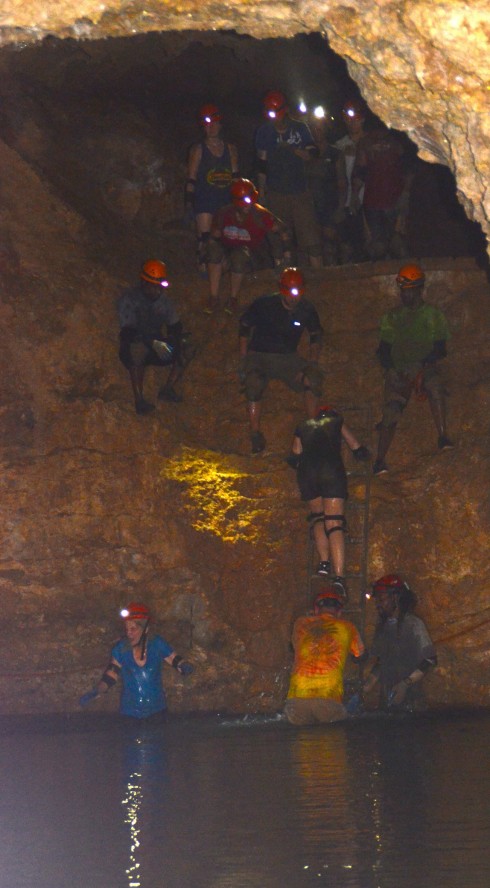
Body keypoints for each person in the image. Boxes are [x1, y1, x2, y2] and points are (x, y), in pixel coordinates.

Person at [373, 262, 453, 475]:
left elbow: (440, 348)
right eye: (402, 291)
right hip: (399, 370)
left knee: (435, 386)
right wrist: (392, 369)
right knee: (391, 410)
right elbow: (383, 349)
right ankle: (379, 460)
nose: (404, 295)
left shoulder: (433, 315)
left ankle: (443, 436)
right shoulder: (392, 317)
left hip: (424, 366)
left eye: (408, 291)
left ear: (419, 289)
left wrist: (423, 368)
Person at [287, 404, 370, 599]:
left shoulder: (303, 425)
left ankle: (324, 563)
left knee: (318, 517)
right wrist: (363, 455)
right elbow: (356, 446)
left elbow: (295, 455)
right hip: (330, 470)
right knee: (334, 522)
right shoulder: (335, 421)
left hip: (307, 473)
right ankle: (339, 577)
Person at [238, 266, 324, 454]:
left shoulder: (306, 309)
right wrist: (244, 359)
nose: (294, 298)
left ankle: (313, 427)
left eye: (298, 293)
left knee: (313, 378)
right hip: (259, 355)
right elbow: (244, 328)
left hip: (287, 358)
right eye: (290, 293)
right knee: (254, 382)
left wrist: (312, 363)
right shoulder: (264, 304)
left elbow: (316, 336)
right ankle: (255, 433)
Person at [79, 602, 194, 720]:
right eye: (127, 629)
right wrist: (97, 691)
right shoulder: (120, 649)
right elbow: (110, 677)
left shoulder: (157, 644)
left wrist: (184, 666)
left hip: (157, 712)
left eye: (133, 629)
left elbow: (176, 660)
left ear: (146, 629)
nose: (128, 633)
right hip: (130, 714)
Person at [255, 89, 323, 268]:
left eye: (276, 113)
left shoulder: (299, 128)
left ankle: (321, 277)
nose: (274, 118)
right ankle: (281, 278)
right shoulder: (264, 131)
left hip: (299, 192)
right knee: (279, 241)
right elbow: (261, 163)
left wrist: (299, 152)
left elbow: (313, 152)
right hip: (276, 192)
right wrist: (261, 191)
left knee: (311, 241)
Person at [207, 177, 292, 313]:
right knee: (214, 251)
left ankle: (233, 298)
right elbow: (214, 238)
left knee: (239, 257)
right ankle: (213, 297)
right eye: (244, 202)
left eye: (250, 201)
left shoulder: (260, 215)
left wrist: (285, 257)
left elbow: (282, 230)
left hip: (251, 257)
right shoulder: (224, 214)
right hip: (228, 253)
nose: (248, 206)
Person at [284, 587, 366, 725]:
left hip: (296, 703)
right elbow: (360, 656)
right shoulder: (348, 627)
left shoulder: (300, 623)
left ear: (316, 609)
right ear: (339, 612)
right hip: (329, 701)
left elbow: (293, 648)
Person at [117, 259, 184, 415]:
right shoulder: (130, 299)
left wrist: (175, 340)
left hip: (156, 347)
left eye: (159, 286)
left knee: (186, 346)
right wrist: (152, 342)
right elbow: (128, 332)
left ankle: (168, 389)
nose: (157, 291)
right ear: (144, 283)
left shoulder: (164, 302)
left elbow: (175, 326)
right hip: (137, 345)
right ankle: (139, 400)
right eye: (154, 286)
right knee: (137, 349)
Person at [363, 574, 437, 711]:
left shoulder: (414, 624)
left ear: (396, 598)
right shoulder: (383, 627)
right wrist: (367, 685)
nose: (378, 604)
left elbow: (429, 660)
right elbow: (382, 661)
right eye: (376, 600)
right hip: (388, 702)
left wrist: (405, 684)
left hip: (412, 704)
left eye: (382, 599)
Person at [184, 103, 239, 276]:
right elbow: (191, 177)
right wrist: (189, 200)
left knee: (222, 241)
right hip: (204, 199)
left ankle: (219, 271)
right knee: (205, 238)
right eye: (207, 125)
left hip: (224, 200)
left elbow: (236, 176)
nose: (211, 128)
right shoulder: (198, 149)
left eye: (214, 124)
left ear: (220, 125)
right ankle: (202, 272)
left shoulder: (230, 149)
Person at [352, 121, 411, 260]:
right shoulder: (368, 143)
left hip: (390, 200)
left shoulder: (396, 141)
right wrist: (355, 195)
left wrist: (405, 194)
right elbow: (361, 171)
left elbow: (408, 169)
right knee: (381, 245)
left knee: (394, 244)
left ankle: (406, 277)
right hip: (376, 201)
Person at [334, 99, 367, 264]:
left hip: (369, 201)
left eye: (354, 119)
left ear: (362, 120)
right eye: (347, 119)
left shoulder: (371, 143)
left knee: (368, 246)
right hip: (347, 203)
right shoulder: (340, 145)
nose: (351, 123)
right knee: (347, 246)